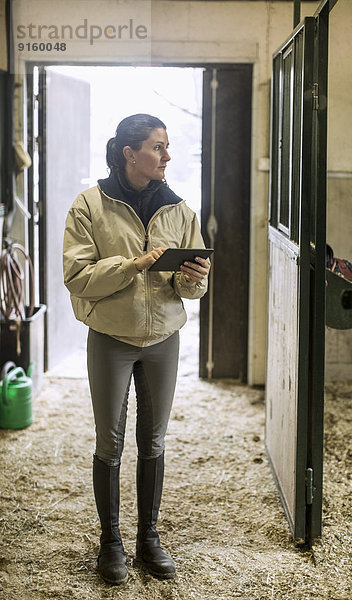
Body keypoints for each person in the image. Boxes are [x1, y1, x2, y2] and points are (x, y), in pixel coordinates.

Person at [63, 114, 210, 585]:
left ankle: (149, 538)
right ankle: (111, 544)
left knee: (154, 441)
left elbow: (192, 291)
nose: (167, 156)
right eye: (157, 147)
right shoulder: (89, 206)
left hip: (163, 339)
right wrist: (134, 264)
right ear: (130, 153)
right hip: (110, 337)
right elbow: (77, 277)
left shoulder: (181, 210)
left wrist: (193, 281)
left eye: (167, 148)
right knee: (109, 442)